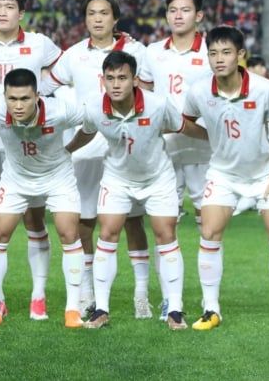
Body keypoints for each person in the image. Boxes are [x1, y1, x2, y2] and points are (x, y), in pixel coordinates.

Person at [67, 51, 208, 330]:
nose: (116, 84)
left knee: (166, 234)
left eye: (122, 77)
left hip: (158, 178)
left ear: (134, 80)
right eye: (110, 78)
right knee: (107, 233)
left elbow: (183, 126)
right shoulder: (95, 108)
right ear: (102, 80)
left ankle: (175, 310)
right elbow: (87, 131)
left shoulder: (157, 105)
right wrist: (66, 151)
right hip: (117, 178)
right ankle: (102, 310)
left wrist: (213, 135)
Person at [40, 0, 152, 319]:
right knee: (85, 218)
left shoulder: (136, 51)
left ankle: (141, 294)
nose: (98, 19)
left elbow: (153, 89)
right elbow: (44, 85)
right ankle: (88, 291)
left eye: (104, 13)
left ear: (115, 19)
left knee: (132, 219)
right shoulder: (73, 55)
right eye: (92, 13)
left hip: (128, 145)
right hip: (87, 145)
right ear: (85, 19)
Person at [182, 25, 269, 331]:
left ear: (240, 56)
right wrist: (211, 136)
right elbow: (185, 123)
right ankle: (211, 309)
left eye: (226, 52)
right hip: (222, 173)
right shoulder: (198, 90)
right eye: (212, 53)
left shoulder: (263, 89)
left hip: (263, 173)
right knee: (209, 232)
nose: (219, 59)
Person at [0, 0, 62, 320]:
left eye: (9, 6)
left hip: (30, 145)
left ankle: (38, 296)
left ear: (21, 13)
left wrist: (41, 97)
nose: (3, 12)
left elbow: (62, 74)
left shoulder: (39, 44)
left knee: (35, 221)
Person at [0, 69, 84, 329]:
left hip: (57, 176)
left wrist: (71, 148)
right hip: (16, 178)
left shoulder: (61, 110)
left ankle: (72, 310)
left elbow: (92, 122)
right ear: (4, 97)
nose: (18, 105)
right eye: (12, 99)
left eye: (24, 99)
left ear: (37, 96)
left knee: (68, 232)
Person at [137, 0, 212, 321]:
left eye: (185, 10)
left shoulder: (214, 49)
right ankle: (172, 301)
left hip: (203, 150)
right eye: (172, 10)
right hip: (163, 153)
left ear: (199, 15)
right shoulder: (153, 52)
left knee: (209, 228)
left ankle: (211, 302)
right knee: (164, 227)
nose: (178, 15)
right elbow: (146, 93)